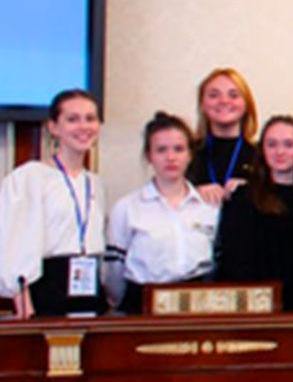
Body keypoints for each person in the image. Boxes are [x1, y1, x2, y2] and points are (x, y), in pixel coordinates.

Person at [0, 90, 107, 317]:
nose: (83, 126)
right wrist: (25, 307)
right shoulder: (30, 177)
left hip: (89, 291)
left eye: (90, 118)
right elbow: (14, 247)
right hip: (46, 292)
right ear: (53, 127)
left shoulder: (95, 183)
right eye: (72, 119)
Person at [106, 112, 218, 313]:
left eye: (178, 149)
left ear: (190, 155)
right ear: (149, 156)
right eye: (161, 150)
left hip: (198, 303)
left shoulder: (208, 207)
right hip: (143, 305)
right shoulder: (127, 207)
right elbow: (114, 272)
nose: (171, 157)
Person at [214, 114, 293, 311]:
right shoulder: (243, 198)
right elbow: (234, 261)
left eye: (289, 144)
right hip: (259, 306)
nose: (280, 151)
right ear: (262, 150)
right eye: (272, 144)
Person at [188, 67, 259, 204]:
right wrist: (193, 193)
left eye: (233, 95)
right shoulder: (186, 153)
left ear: (247, 104)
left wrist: (252, 190)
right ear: (202, 104)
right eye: (214, 95)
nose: (224, 101)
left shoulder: (262, 155)